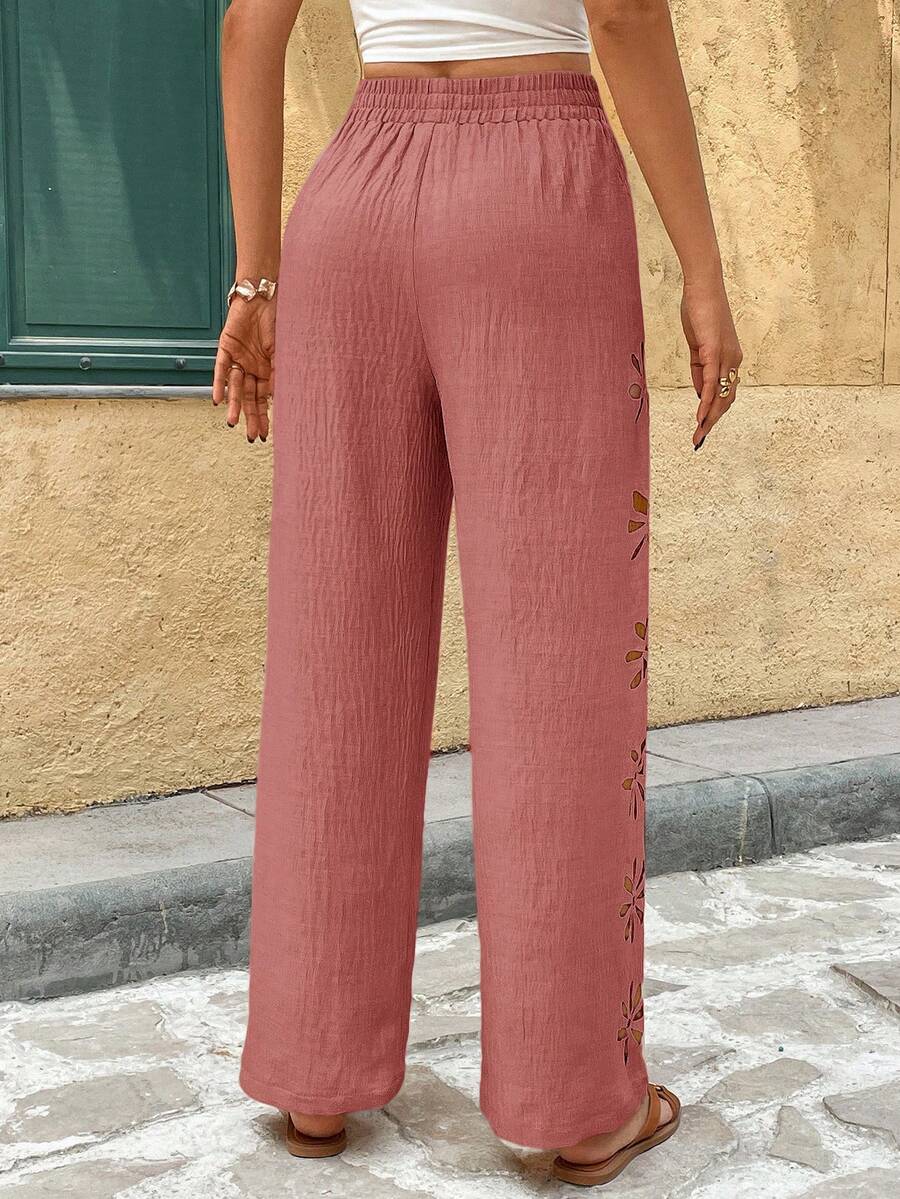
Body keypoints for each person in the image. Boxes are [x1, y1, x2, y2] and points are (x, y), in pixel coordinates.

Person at [216, 0, 741, 1186]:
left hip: (354, 198)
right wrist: (703, 270)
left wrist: (255, 279)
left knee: (335, 654)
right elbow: (621, 13)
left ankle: (313, 1075)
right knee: (558, 654)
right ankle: (578, 1104)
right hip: (535, 195)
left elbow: (250, 25)